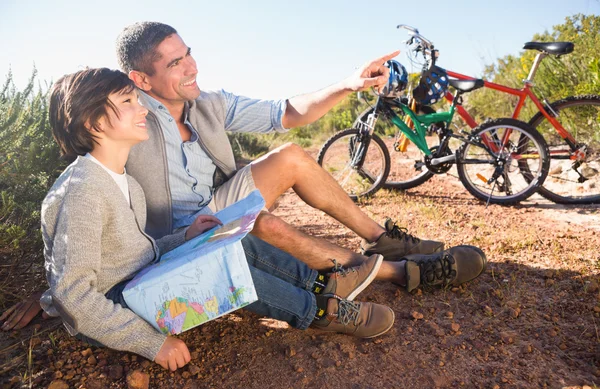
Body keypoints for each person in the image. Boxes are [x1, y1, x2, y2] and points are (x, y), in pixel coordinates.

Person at [0, 22, 487, 332]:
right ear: (140, 81)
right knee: (264, 227)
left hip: (213, 207)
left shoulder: (207, 102)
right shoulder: (130, 116)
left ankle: (386, 242)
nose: (191, 66)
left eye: (187, 52)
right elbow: (82, 179)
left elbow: (287, 112)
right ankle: (399, 275)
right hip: (174, 234)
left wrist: (347, 83)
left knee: (293, 155)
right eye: (174, 63)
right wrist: (55, 289)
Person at [35, 67, 396, 371]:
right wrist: (152, 343)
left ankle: (321, 285)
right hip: (113, 308)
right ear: (93, 120)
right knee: (218, 272)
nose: (141, 107)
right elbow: (75, 296)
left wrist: (186, 237)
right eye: (128, 101)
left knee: (229, 238)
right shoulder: (83, 189)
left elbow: (132, 252)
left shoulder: (126, 181)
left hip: (137, 282)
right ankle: (318, 312)